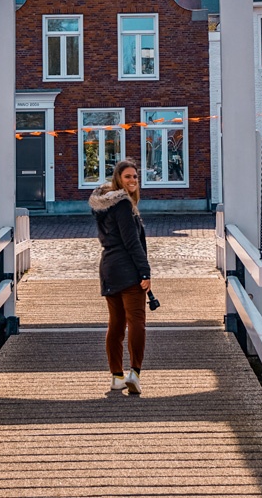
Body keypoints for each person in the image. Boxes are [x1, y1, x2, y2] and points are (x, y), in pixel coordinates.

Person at [89, 158, 151, 396]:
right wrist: (144, 271)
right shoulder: (123, 204)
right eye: (128, 177)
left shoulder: (103, 205)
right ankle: (134, 373)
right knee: (136, 321)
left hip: (108, 268)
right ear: (118, 179)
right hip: (127, 269)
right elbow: (131, 241)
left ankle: (116, 376)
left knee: (116, 324)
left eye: (135, 176)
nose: (133, 180)